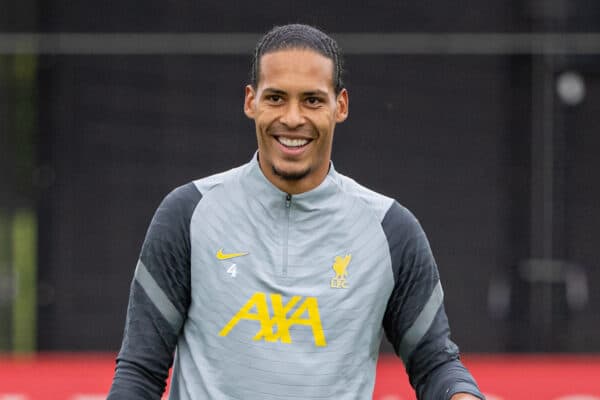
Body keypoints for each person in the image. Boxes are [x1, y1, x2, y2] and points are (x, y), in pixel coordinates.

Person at [107, 24, 484, 400]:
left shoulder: (390, 229)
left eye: (312, 100)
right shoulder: (186, 213)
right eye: (275, 98)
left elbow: (435, 365)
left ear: (341, 106)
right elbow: (140, 373)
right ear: (250, 101)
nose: (292, 118)